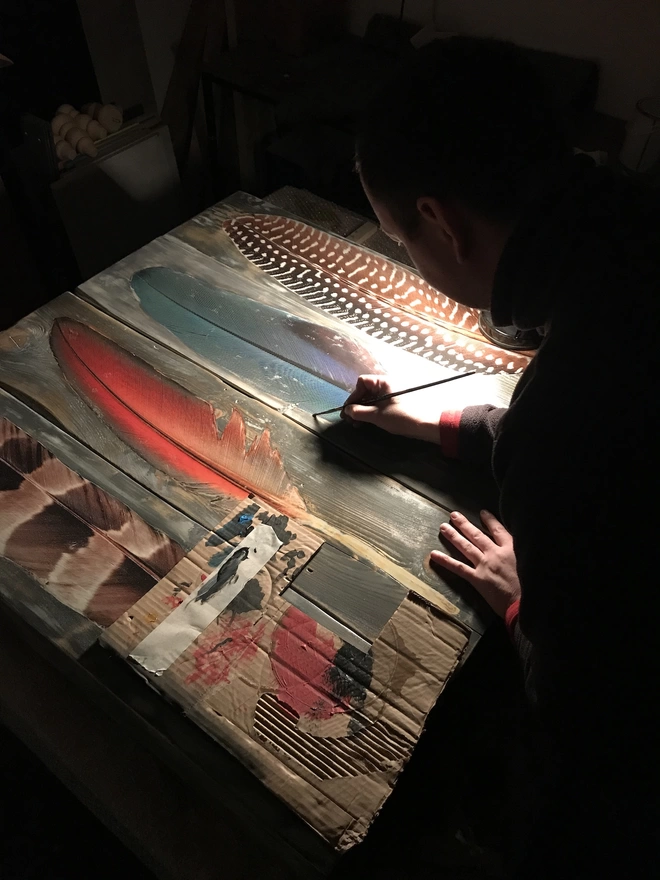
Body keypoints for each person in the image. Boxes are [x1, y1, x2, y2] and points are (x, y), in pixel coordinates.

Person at [344, 36, 659, 878]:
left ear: (442, 223)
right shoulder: (629, 230)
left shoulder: (569, 415)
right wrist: (423, 421)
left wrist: (525, 602)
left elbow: (587, 707)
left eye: (399, 236)